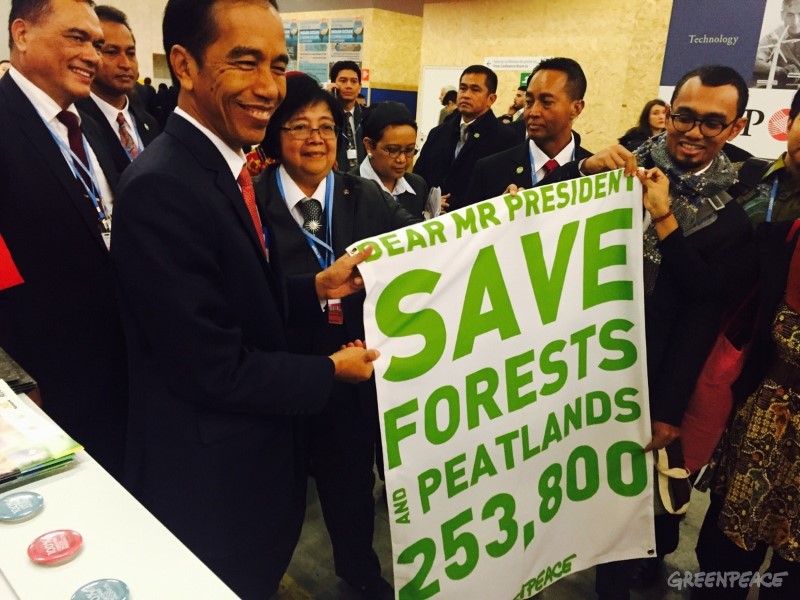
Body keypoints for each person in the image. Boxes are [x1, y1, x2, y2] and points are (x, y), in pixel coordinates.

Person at [111, 2, 379, 597]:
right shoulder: (165, 187)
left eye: (278, 65)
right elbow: (212, 365)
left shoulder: (218, 166)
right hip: (213, 483)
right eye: (245, 62)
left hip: (250, 467)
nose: (267, 88)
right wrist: (329, 371)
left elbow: (228, 295)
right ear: (183, 64)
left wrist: (313, 287)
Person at [552, 64, 753, 599]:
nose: (694, 131)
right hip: (574, 363)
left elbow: (704, 305)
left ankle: (619, 580)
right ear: (667, 112)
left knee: (630, 508)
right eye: (685, 116)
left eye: (714, 123)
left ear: (734, 128)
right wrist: (582, 169)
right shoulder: (618, 170)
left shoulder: (732, 213)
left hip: (649, 379)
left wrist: (668, 408)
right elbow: (534, 214)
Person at [257, 73, 418, 600]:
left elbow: (428, 241)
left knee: (349, 488)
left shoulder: (364, 195)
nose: (316, 138)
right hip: (280, 374)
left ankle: (359, 571)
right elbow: (242, 291)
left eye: (326, 126)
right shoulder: (250, 201)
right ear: (276, 137)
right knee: (275, 497)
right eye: (299, 126)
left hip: (354, 376)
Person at [0, 0, 127, 479]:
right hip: (45, 392)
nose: (93, 55)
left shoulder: (89, 125)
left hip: (124, 373)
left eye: (96, 44)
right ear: (22, 34)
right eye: (77, 38)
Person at [464, 57, 592, 205]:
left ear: (576, 108)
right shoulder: (490, 170)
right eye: (529, 102)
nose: (533, 112)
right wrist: (500, 213)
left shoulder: (596, 175)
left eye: (546, 102)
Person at [414, 64, 518, 212]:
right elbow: (418, 179)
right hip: (432, 225)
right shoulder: (438, 133)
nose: (466, 95)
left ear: (491, 99)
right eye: (462, 88)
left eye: (475, 90)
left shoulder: (506, 139)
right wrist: (429, 200)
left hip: (475, 226)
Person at [76, 5, 159, 176]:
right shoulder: (75, 123)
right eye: (112, 52)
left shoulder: (149, 123)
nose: (125, 64)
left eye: (130, 53)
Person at [354, 101, 428, 218]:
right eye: (392, 150)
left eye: (409, 150)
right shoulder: (348, 189)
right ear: (369, 145)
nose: (402, 159)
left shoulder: (418, 186)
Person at [753, 0, 800, 88]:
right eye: (790, 15)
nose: (795, 21)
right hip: (786, 90)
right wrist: (779, 70)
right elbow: (754, 61)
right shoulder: (774, 36)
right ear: (782, 15)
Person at [330, 60, 365, 171]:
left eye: (354, 81)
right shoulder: (328, 117)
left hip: (363, 181)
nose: (349, 86)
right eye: (343, 81)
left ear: (359, 86)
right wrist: (326, 98)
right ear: (333, 84)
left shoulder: (367, 117)